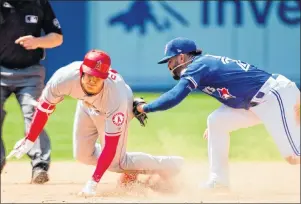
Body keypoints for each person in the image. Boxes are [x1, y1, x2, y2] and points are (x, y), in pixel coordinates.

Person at [6, 49, 184, 196]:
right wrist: (30, 139)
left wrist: (93, 181)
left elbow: (110, 146)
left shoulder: (117, 97)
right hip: (86, 105)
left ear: (105, 77)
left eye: (98, 77)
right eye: (89, 75)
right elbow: (44, 109)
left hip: (111, 108)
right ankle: (131, 165)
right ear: (82, 71)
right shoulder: (63, 79)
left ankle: (170, 164)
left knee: (117, 162)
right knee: (82, 155)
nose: (92, 80)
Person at [134, 37, 300, 190]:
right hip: (255, 102)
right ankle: (219, 180)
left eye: (170, 60)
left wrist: (145, 108)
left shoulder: (196, 66)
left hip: (275, 96)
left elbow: (175, 96)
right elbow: (232, 91)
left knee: (294, 156)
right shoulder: (202, 66)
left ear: (182, 58)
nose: (169, 66)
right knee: (216, 122)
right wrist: (216, 129)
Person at [0, 0, 63, 184]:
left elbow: (57, 37)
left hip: (31, 72)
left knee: (34, 113)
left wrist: (37, 41)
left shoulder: (39, 2)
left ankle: (40, 166)